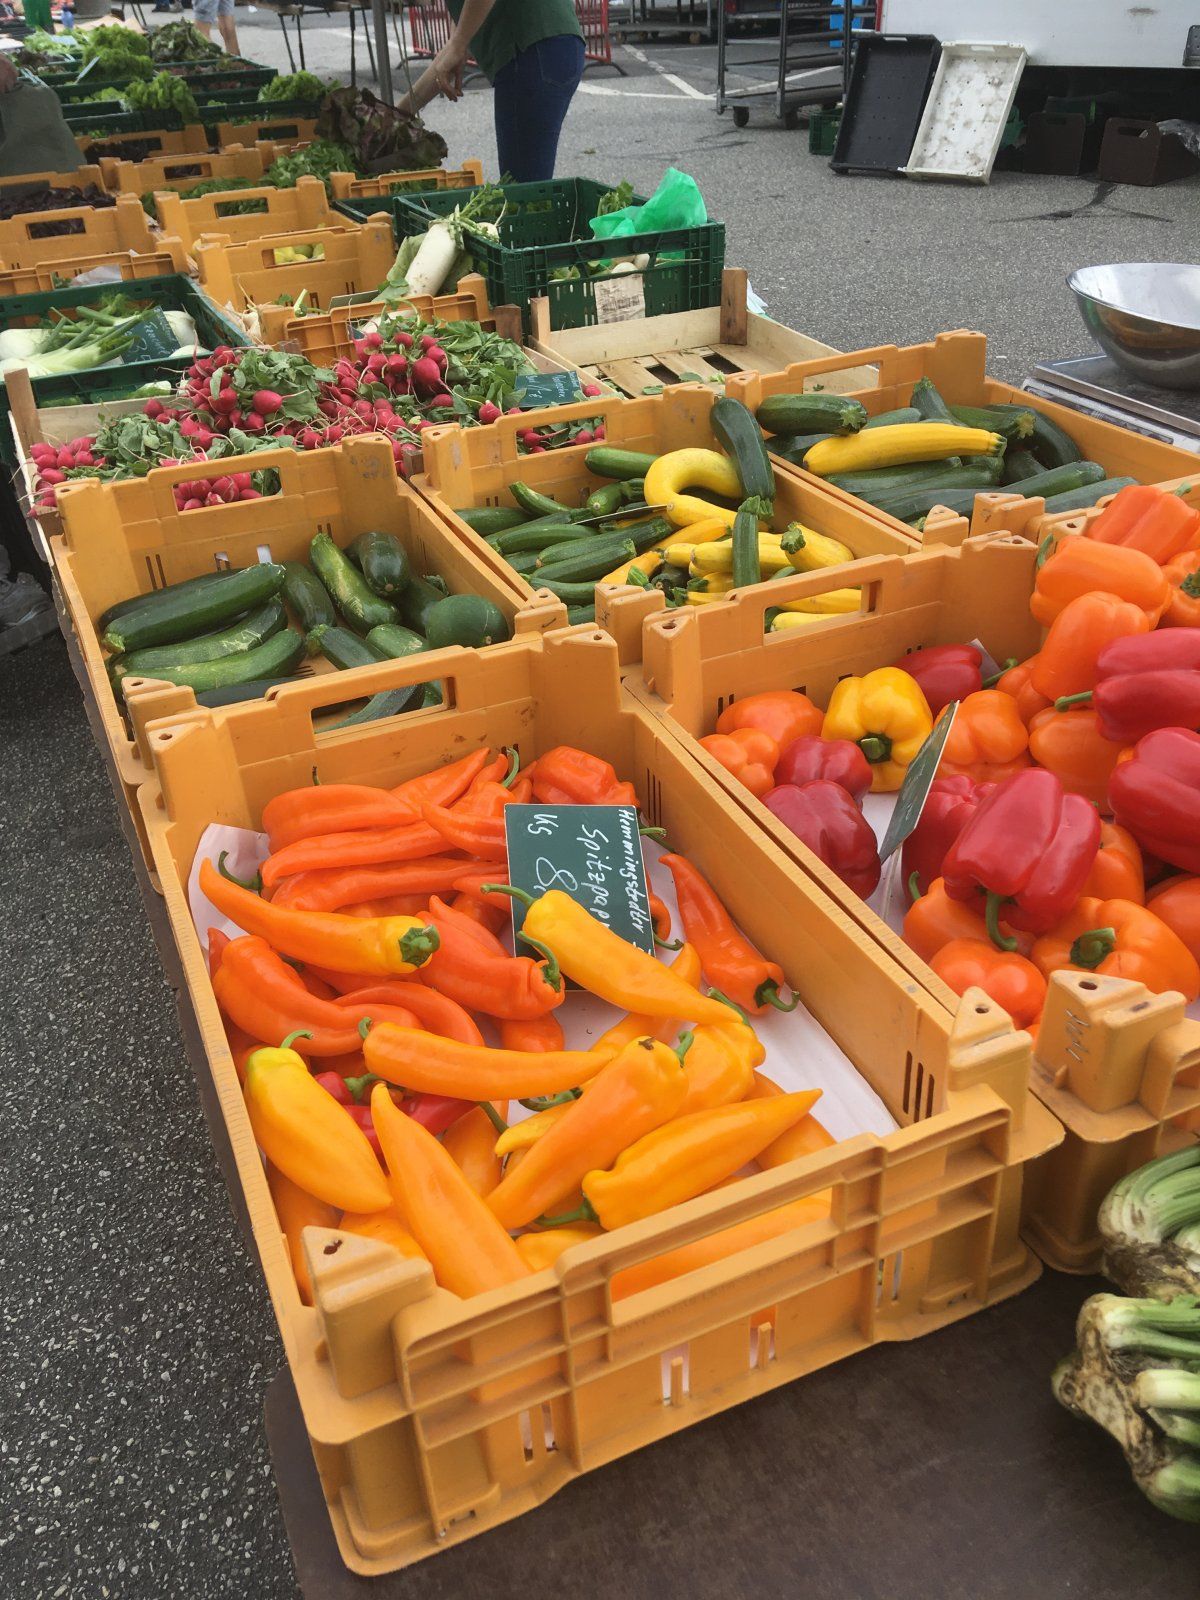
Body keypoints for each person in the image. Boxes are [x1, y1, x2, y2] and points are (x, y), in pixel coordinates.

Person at [397, 0, 584, 184]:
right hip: (553, 47)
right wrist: (399, 113)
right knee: (526, 183)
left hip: (532, 51)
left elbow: (456, 46)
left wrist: (459, 43)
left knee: (523, 190)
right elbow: (449, 58)